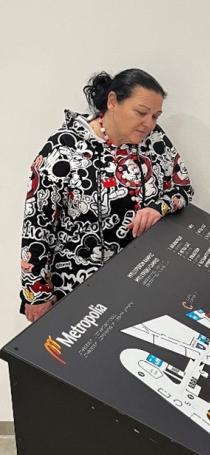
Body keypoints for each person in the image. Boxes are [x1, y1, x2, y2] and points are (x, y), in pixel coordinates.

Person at [20, 68, 194, 322]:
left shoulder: (154, 140)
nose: (150, 123)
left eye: (155, 116)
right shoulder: (64, 148)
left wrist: (159, 207)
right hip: (77, 292)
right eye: (141, 112)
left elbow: (183, 188)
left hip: (143, 283)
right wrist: (36, 294)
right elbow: (37, 225)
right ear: (112, 102)